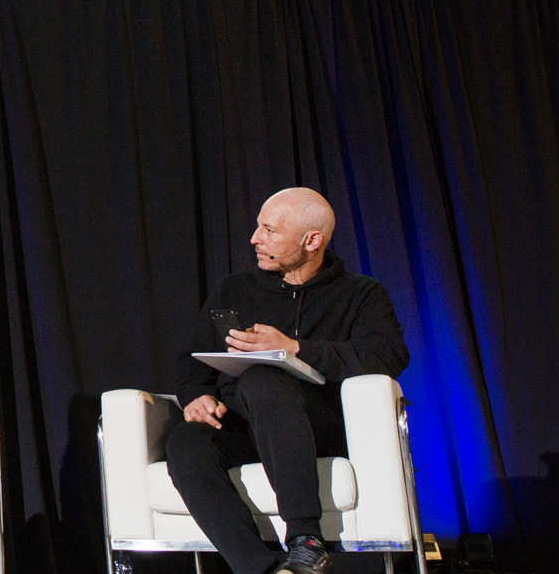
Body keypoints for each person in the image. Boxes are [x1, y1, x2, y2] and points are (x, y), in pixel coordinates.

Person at [167, 188, 409, 574]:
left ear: (311, 241)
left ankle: (306, 541)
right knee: (185, 441)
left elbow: (388, 355)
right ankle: (259, 568)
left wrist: (294, 348)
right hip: (246, 425)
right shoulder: (234, 288)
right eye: (258, 227)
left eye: (270, 231)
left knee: (264, 378)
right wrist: (196, 395)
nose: (255, 239)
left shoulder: (361, 294)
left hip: (317, 425)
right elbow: (192, 363)